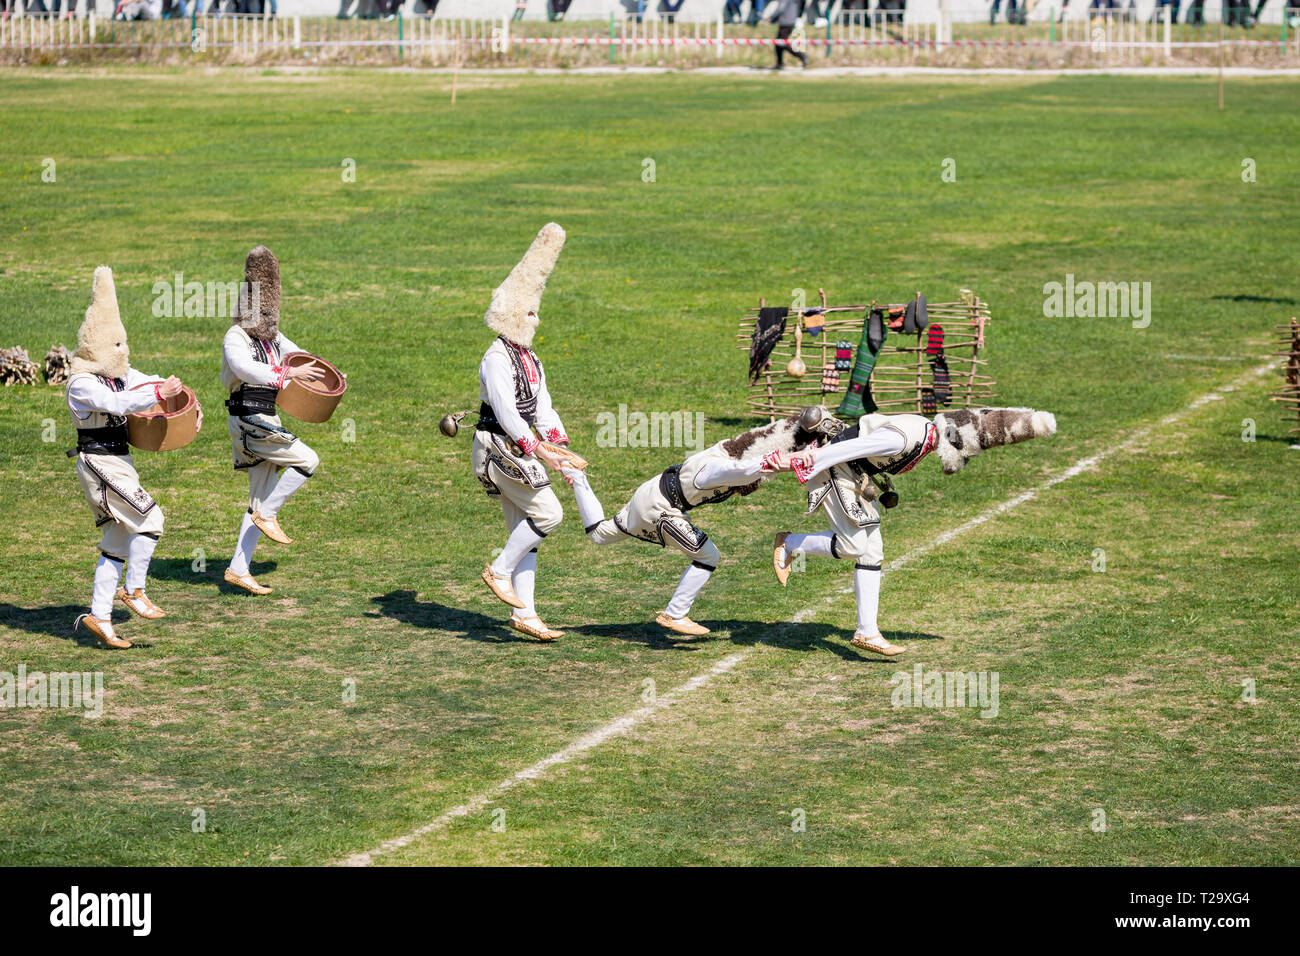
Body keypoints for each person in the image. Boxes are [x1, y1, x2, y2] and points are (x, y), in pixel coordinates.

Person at [774, 406, 1055, 657]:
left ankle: (866, 632)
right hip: (835, 469)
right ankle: (789, 543)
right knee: (855, 546)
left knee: (872, 551)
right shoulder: (905, 438)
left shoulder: (925, 436)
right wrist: (803, 461)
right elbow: (846, 449)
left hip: (852, 473)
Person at [565, 407, 839, 636]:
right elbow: (742, 468)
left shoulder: (728, 451)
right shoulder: (714, 471)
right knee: (708, 556)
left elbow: (757, 439)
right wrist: (786, 460)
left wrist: (796, 435)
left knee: (599, 534)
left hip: (649, 492)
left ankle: (575, 473)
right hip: (660, 508)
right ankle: (674, 614)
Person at [67, 267, 202, 649]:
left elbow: (146, 382)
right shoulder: (82, 383)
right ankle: (134, 589)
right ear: (97, 347)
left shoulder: (115, 374)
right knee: (151, 518)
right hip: (98, 463)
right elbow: (117, 403)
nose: (122, 352)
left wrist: (188, 404)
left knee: (117, 541)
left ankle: (99, 617)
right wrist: (157, 391)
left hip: (120, 463)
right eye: (115, 346)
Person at [473, 223, 575, 642]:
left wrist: (561, 445)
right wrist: (543, 451)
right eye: (531, 312)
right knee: (549, 514)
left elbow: (543, 406)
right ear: (514, 315)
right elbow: (510, 415)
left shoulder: (530, 358)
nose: (538, 318)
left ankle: (526, 615)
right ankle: (497, 571)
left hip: (517, 447)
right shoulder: (496, 358)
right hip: (497, 446)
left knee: (526, 534)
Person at [221, 246, 327, 596]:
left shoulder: (272, 340)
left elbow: (300, 357)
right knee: (308, 460)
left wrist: (328, 374)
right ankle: (270, 514)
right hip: (249, 419)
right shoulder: (235, 337)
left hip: (264, 416)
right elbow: (242, 368)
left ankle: (238, 569)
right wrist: (284, 374)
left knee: (257, 499)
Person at [768, 0, 809, 69]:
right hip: (789, 21)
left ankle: (801, 56)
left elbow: (781, 8)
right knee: (778, 43)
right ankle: (779, 63)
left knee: (782, 43)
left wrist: (771, 17)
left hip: (786, 21)